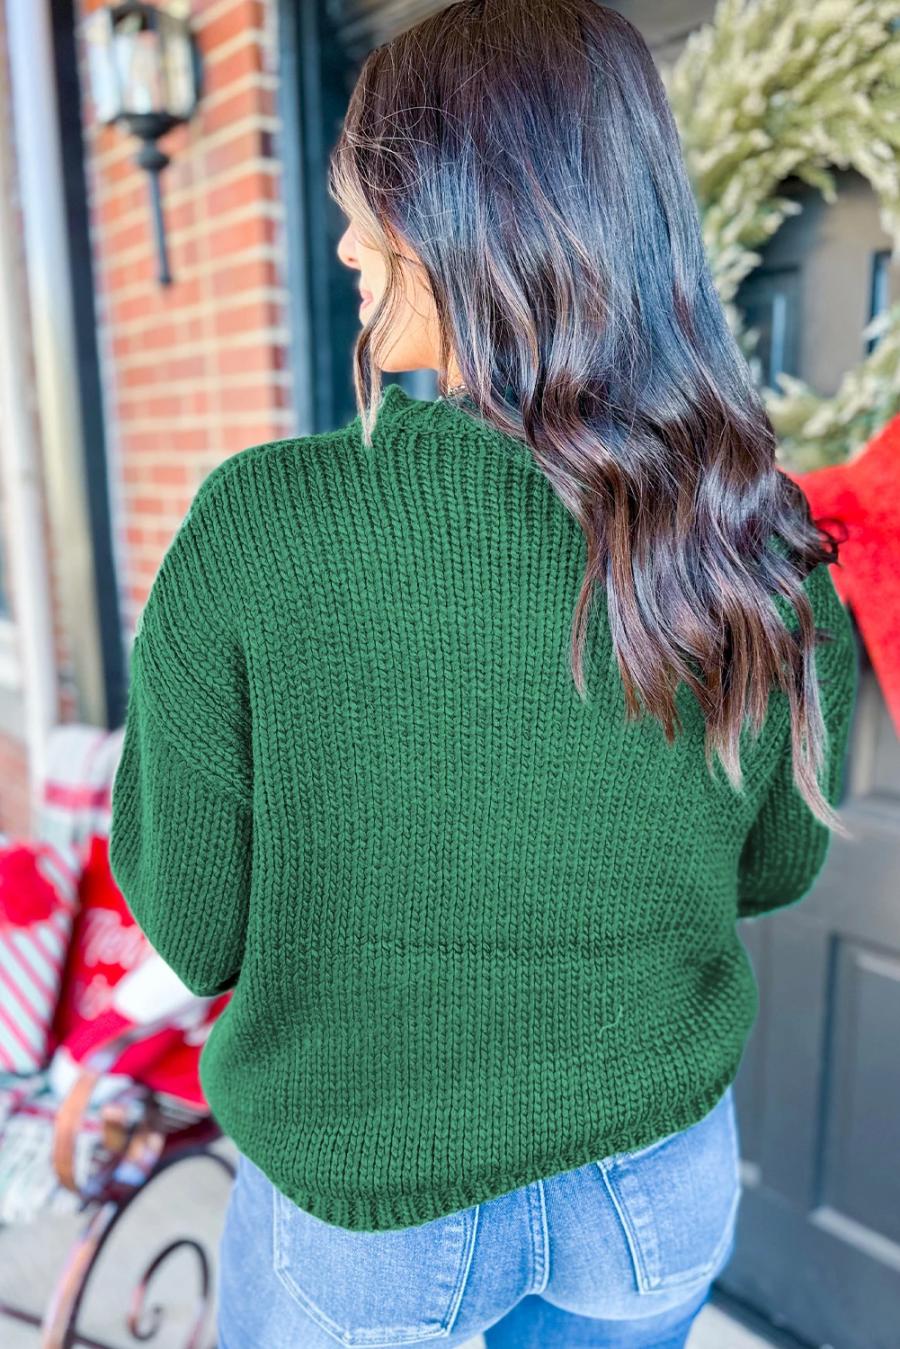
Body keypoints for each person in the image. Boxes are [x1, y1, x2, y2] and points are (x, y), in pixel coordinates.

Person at [107, 2, 860, 1346]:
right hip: (652, 1186)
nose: (346, 241)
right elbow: (778, 865)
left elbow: (194, 921)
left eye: (369, 203)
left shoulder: (263, 528)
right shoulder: (756, 528)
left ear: (468, 215)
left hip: (370, 1210)